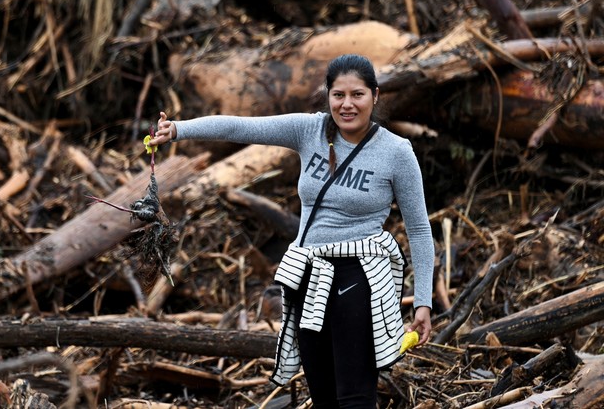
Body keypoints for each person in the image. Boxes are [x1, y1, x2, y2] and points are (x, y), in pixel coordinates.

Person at [148, 54, 434, 408]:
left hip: (358, 274)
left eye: (357, 95)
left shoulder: (395, 152)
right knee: (323, 393)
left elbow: (420, 229)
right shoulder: (309, 130)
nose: (347, 105)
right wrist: (179, 129)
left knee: (356, 394)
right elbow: (241, 127)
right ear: (328, 96)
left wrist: (423, 300)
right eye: (338, 95)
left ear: (375, 96)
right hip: (309, 275)